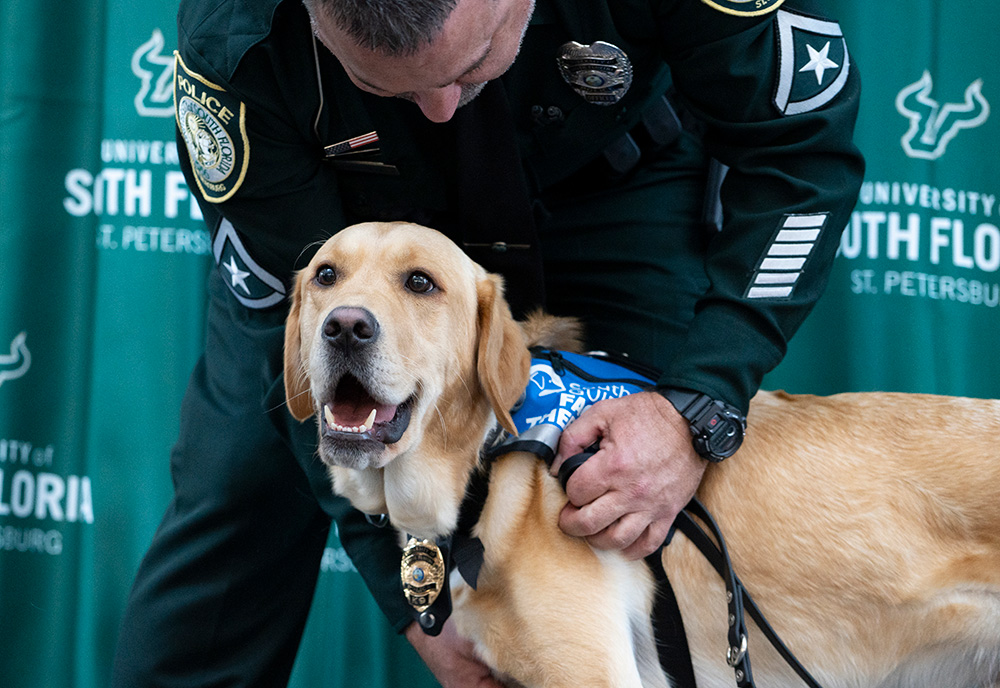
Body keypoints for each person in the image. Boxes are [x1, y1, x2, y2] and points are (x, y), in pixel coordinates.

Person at [112, 0, 864, 685]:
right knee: (243, 482)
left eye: (469, 66)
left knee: (631, 506)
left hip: (613, 185)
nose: (441, 109)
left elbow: (798, 149)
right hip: (362, 221)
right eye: (390, 88)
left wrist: (697, 405)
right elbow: (284, 303)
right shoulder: (235, 33)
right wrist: (417, 608)